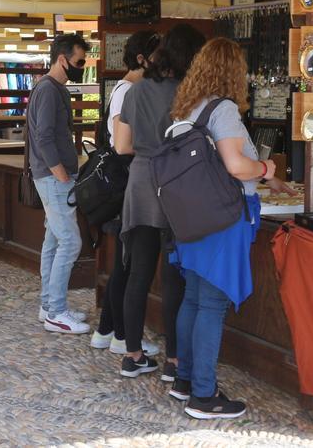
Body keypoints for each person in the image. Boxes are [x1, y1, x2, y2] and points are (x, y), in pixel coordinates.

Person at [162, 38, 293, 420]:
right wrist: (266, 170)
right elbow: (235, 167)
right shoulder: (224, 110)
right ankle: (204, 395)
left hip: (193, 216)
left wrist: (266, 180)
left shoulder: (188, 108)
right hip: (222, 218)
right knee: (212, 304)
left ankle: (184, 380)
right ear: (234, 72)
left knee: (194, 298)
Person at [111, 25, 205, 380]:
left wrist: (149, 147)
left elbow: (122, 146)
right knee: (174, 278)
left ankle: (132, 355)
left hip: (140, 183)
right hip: (177, 184)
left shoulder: (135, 92)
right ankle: (175, 361)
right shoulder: (190, 94)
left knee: (138, 272)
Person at [84, 31, 160, 365]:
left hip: (129, 183)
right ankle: (121, 337)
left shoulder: (125, 89)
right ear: (143, 58)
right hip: (130, 183)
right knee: (126, 267)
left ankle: (106, 331)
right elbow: (121, 144)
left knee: (123, 265)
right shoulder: (129, 91)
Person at [29, 33, 91, 334]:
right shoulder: (49, 90)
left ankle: (49, 304)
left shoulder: (54, 89)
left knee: (54, 241)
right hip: (55, 177)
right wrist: (60, 173)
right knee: (70, 241)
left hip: (55, 175)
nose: (82, 66)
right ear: (62, 59)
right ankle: (56, 311)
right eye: (79, 62)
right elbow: (43, 136)